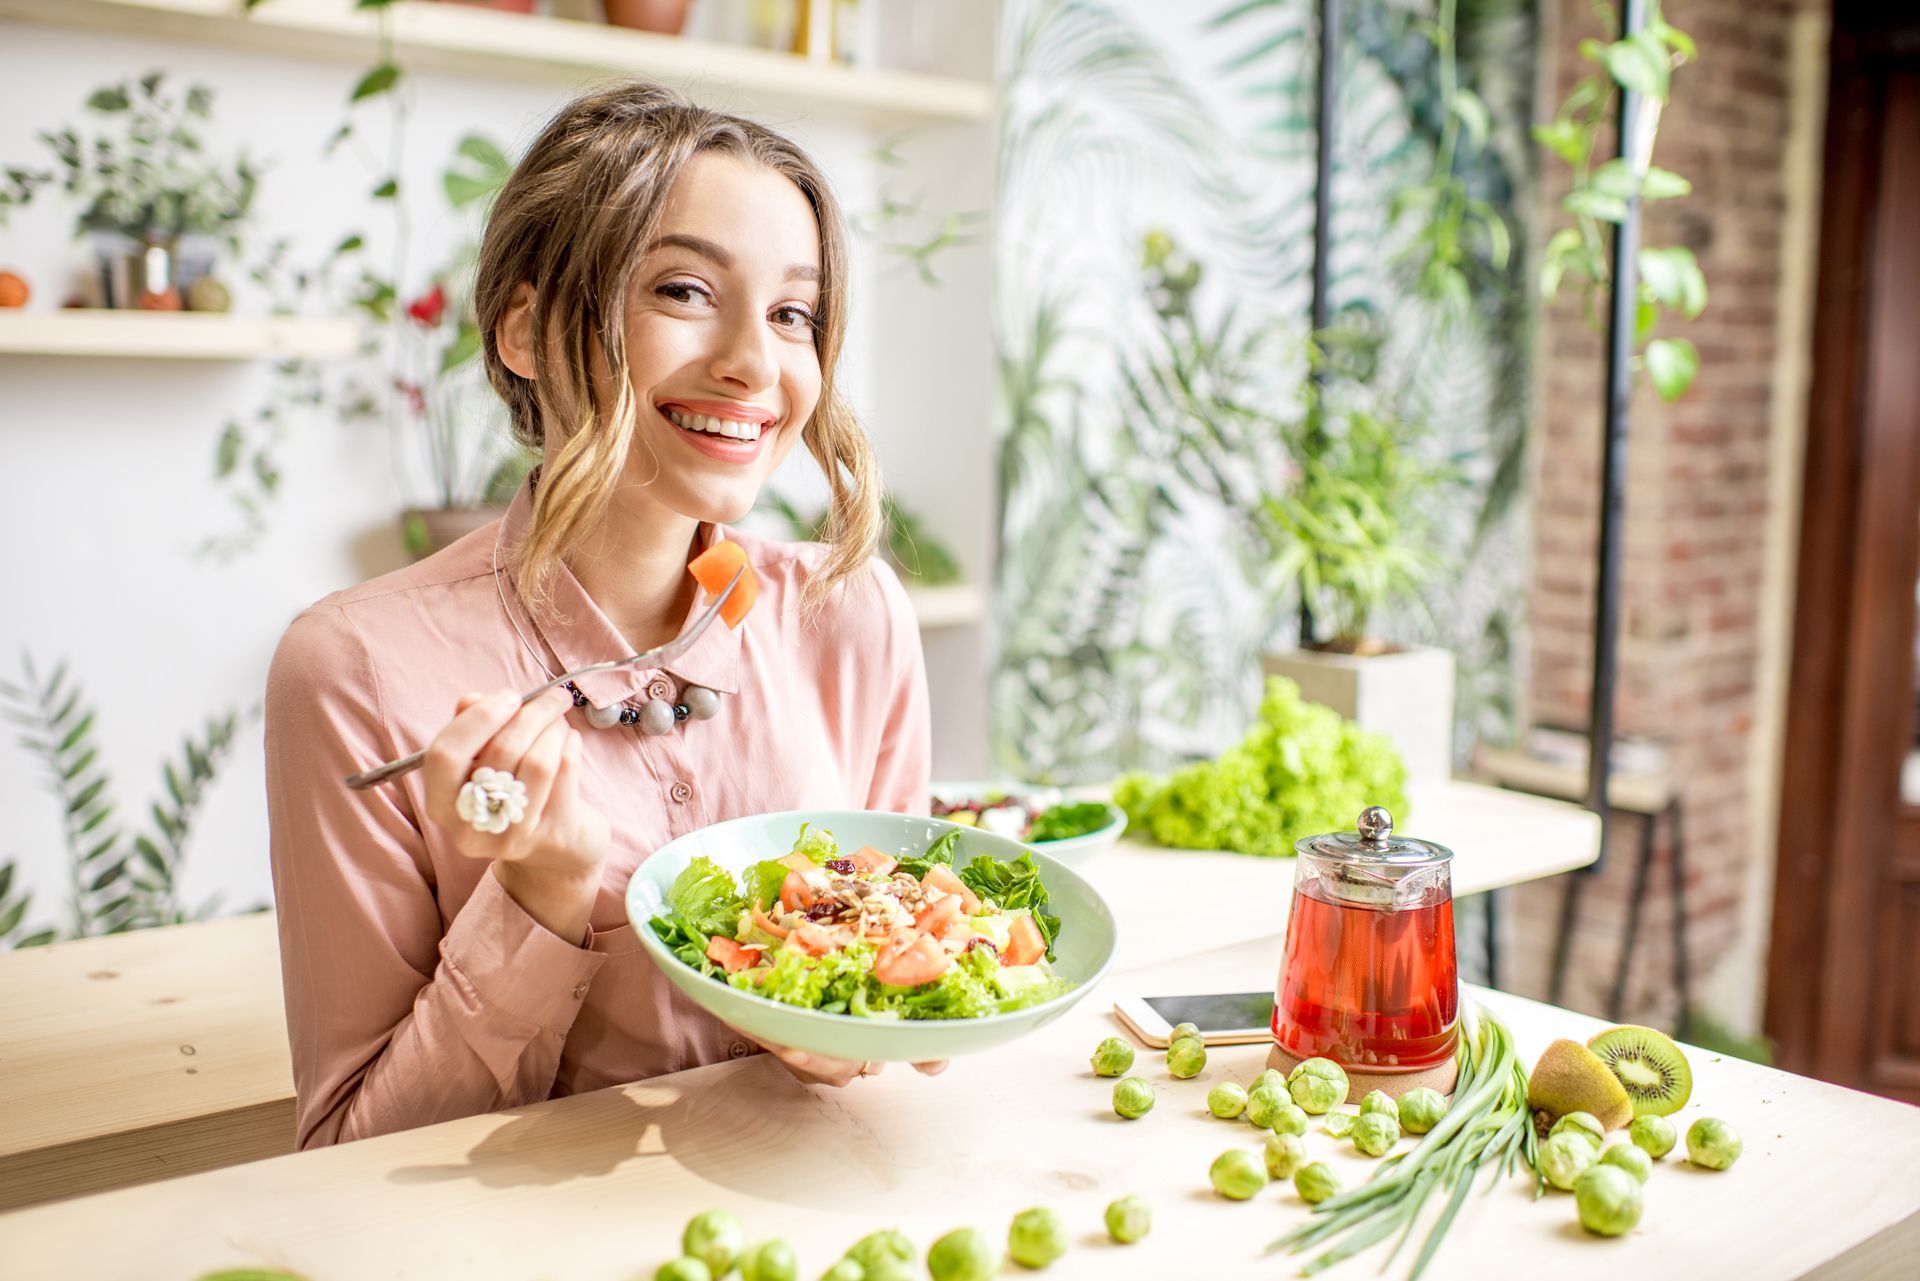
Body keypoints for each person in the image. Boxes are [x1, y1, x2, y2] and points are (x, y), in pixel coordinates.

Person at [264, 82, 936, 1150]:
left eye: (792, 313)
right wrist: (540, 894)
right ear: (527, 331)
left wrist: (865, 1022)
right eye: (682, 289)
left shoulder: (848, 616)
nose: (755, 365)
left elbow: (924, 1013)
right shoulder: (354, 669)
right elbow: (349, 1157)